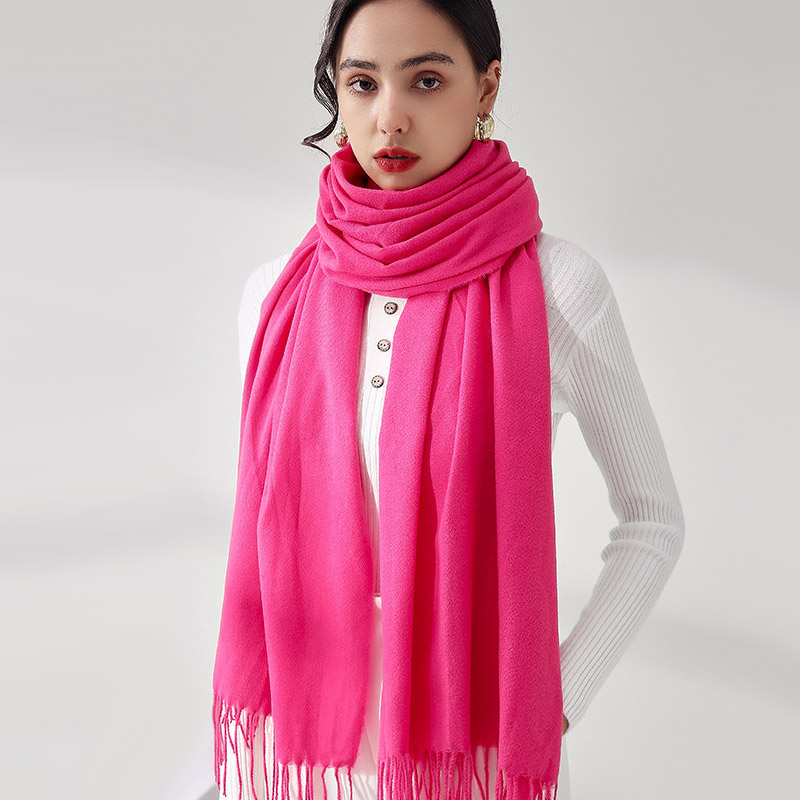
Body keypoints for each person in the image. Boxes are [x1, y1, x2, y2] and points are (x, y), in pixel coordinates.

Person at [212, 1, 685, 800]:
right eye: (362, 83)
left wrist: (551, 705)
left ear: (486, 86)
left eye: (426, 81)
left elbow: (653, 520)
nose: (390, 117)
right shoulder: (273, 296)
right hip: (295, 761)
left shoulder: (558, 288)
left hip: (473, 761)